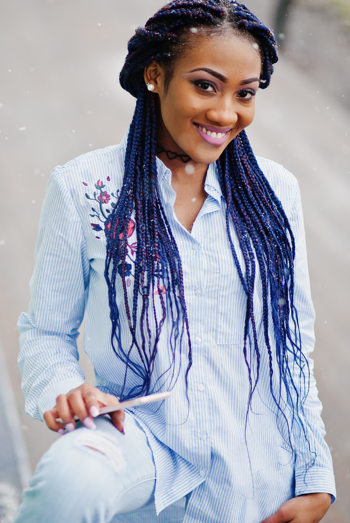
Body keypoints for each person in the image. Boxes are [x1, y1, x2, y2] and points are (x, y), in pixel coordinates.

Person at [15, 1, 336, 521]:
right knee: (69, 483)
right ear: (155, 76)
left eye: (245, 94)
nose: (225, 113)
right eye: (206, 85)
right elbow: (47, 332)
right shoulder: (81, 188)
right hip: (142, 439)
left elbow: (291, 344)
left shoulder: (277, 193)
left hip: (255, 455)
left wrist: (316, 475)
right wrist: (65, 389)